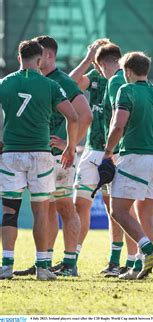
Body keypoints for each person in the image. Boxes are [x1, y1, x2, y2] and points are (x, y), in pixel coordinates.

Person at [12, 35, 92, 277]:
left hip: (59, 157)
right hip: (41, 154)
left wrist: (70, 144)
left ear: (47, 55)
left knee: (65, 207)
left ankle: (70, 263)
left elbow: (85, 115)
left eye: (40, 54)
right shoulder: (37, 80)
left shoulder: (62, 81)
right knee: (44, 210)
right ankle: (43, 261)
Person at [0, 40, 78, 280]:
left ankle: (6, 265)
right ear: (41, 59)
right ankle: (43, 267)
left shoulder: (4, 83)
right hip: (41, 155)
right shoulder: (50, 85)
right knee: (41, 211)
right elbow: (73, 117)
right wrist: (71, 147)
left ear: (18, 57)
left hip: (11, 153)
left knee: (9, 211)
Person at [103, 51, 153, 279]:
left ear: (127, 71)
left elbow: (118, 125)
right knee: (146, 215)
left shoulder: (127, 89)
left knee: (118, 211)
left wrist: (108, 151)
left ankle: (149, 250)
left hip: (135, 157)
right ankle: (139, 266)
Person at [94, 43, 142, 276]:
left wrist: (109, 151)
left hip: (117, 152)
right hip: (132, 151)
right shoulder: (142, 86)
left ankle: (126, 260)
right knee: (121, 208)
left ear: (101, 63)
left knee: (118, 208)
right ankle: (128, 259)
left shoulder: (115, 82)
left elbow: (116, 119)